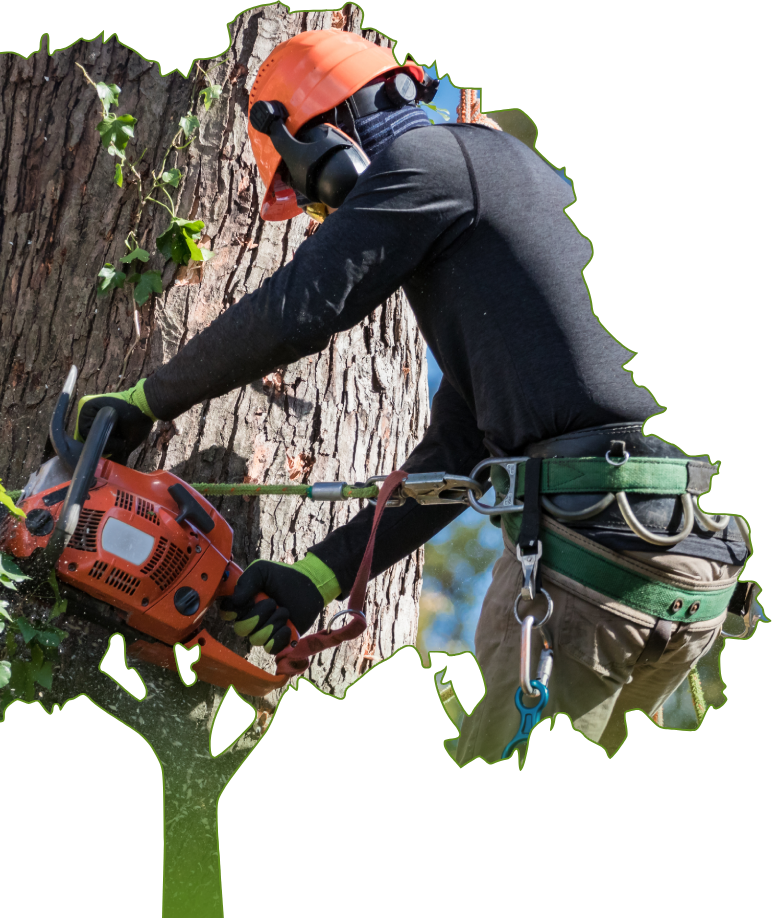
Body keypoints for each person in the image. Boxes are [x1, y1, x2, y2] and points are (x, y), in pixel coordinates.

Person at [73, 30, 751, 764]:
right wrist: (318, 576)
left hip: (589, 573)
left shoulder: (430, 162)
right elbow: (459, 456)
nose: (326, 220)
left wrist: (142, 401)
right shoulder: (511, 190)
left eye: (313, 201)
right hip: (676, 574)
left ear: (327, 148)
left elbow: (298, 309)